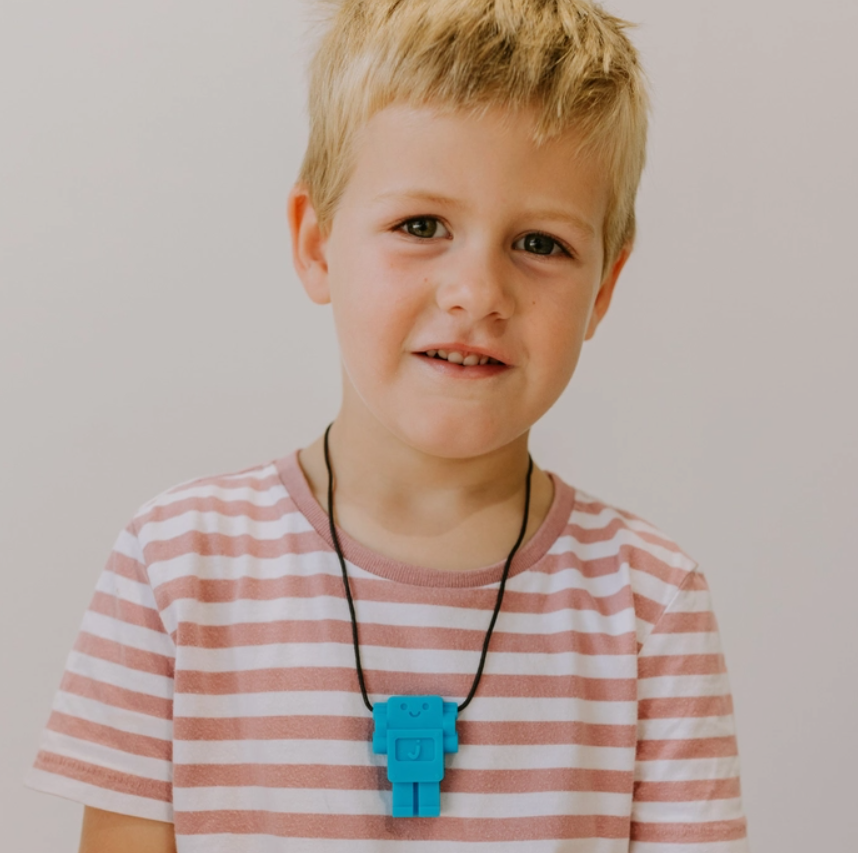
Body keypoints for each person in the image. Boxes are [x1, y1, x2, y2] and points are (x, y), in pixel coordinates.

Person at [26, 0, 750, 850]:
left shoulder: (649, 600)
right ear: (318, 243)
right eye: (421, 226)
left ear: (605, 285)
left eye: (541, 243)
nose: (476, 292)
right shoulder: (175, 564)